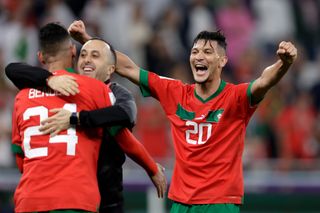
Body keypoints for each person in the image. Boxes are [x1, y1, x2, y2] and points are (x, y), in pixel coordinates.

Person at [69, 20, 298, 212]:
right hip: (180, 202)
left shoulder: (235, 97)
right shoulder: (176, 93)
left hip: (218, 203)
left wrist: (284, 63)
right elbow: (129, 68)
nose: (199, 56)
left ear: (222, 61)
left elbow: (263, 81)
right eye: (195, 51)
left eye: (208, 52)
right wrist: (90, 42)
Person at [9, 22, 166, 213]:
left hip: (32, 198)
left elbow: (20, 159)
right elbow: (124, 138)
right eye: (83, 54)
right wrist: (152, 168)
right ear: (73, 53)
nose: (87, 60)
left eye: (95, 55)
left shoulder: (22, 96)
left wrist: (76, 118)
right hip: (78, 198)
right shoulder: (94, 91)